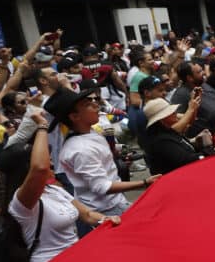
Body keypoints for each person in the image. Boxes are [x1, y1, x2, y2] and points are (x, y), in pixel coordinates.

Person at [7, 112, 121, 262]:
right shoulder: (21, 202)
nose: (51, 162)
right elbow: (40, 168)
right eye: (47, 159)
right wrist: (42, 126)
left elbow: (87, 215)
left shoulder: (55, 190)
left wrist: (106, 219)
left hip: (76, 261)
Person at [46, 87, 158, 234]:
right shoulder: (80, 149)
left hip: (115, 202)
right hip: (107, 210)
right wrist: (144, 183)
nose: (96, 105)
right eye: (87, 104)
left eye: (94, 101)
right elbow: (101, 187)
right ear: (74, 117)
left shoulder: (90, 133)